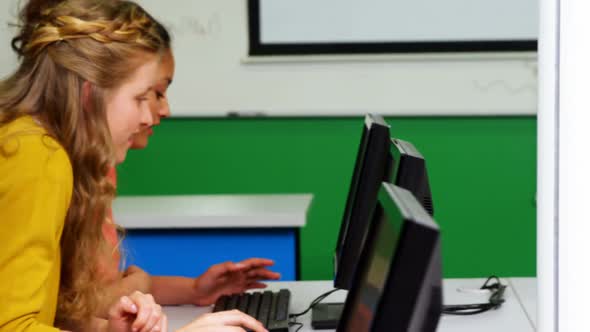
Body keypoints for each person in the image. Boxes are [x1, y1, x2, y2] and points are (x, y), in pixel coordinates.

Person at [0, 1, 266, 331]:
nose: (150, 115)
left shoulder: (31, 143)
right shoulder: (37, 157)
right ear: (90, 94)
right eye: (142, 97)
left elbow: (48, 308)